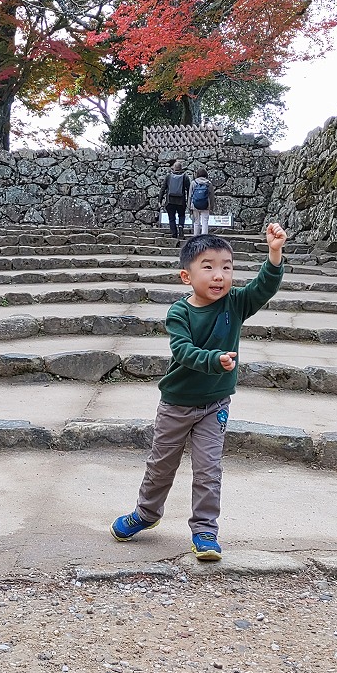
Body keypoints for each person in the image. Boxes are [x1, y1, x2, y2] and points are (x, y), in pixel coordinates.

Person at [111, 224, 288, 561]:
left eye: (226, 266)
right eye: (207, 267)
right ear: (186, 276)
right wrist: (214, 360)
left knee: (209, 469)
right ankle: (146, 513)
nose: (219, 275)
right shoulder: (180, 313)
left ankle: (205, 531)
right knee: (161, 466)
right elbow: (182, 351)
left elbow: (264, 287)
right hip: (176, 405)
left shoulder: (236, 303)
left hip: (215, 405)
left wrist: (274, 253)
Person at [162, 160, 192, 240]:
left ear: (174, 168)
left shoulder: (168, 176)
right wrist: (189, 201)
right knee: (181, 215)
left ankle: (174, 234)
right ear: (181, 168)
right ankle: (181, 226)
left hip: (170, 201)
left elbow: (163, 188)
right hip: (181, 201)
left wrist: (160, 199)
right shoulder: (185, 177)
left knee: (171, 218)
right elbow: (189, 190)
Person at [188, 169, 215, 237]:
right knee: (205, 222)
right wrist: (211, 207)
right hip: (206, 205)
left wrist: (189, 207)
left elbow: (190, 196)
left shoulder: (193, 182)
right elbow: (211, 196)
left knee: (196, 222)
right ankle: (204, 238)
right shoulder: (208, 183)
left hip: (195, 205)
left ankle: (195, 238)